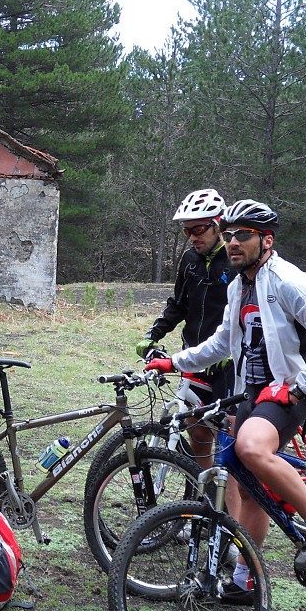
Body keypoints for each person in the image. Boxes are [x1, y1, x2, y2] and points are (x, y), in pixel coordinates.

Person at [145, 199, 306, 596]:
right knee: (249, 484)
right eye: (230, 234)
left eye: (244, 235)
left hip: (290, 391)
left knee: (251, 449)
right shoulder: (241, 284)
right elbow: (223, 341)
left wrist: (299, 386)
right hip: (253, 392)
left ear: (266, 240)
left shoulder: (290, 282)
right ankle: (247, 579)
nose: (233, 242)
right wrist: (174, 361)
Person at [135, 188, 234, 469]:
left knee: (232, 436)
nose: (192, 236)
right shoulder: (190, 260)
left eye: (199, 229)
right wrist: (153, 334)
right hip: (196, 354)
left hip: (229, 362)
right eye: (187, 231)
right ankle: (205, 495)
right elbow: (178, 304)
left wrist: (232, 348)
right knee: (196, 428)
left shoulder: (235, 259)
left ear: (218, 225)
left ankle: (237, 498)